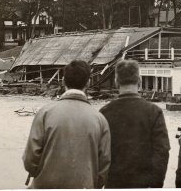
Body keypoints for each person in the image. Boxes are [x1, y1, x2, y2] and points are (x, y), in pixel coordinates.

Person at [22, 60, 111, 189]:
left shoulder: (45, 113)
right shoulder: (99, 119)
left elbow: (30, 160)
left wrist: (42, 174)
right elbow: (103, 168)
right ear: (88, 83)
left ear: (63, 81)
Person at [100, 60, 170, 188]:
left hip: (114, 183)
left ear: (116, 82)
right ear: (139, 81)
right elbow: (162, 151)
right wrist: (155, 184)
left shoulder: (104, 112)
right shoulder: (154, 111)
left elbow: (100, 155)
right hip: (144, 184)